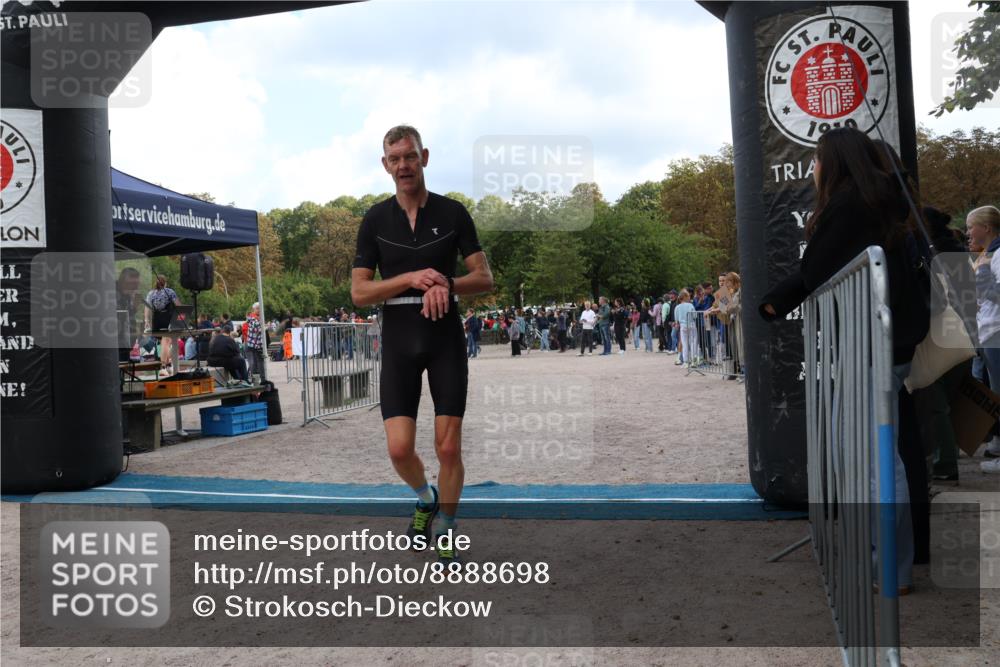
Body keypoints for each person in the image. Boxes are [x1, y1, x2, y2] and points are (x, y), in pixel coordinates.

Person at [759, 127, 931, 593]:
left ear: (833, 162)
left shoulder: (852, 206)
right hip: (880, 343)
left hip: (872, 344)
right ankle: (884, 559)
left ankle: (889, 567)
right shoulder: (877, 202)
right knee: (872, 456)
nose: (813, 169)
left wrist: (779, 298)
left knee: (874, 461)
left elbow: (815, 269)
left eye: (817, 160)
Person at [351, 125, 494, 568]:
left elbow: (485, 279)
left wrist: (447, 283)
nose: (403, 166)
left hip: (444, 337)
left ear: (424, 157)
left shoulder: (453, 213)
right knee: (398, 449)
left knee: (448, 448)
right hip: (398, 339)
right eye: (395, 159)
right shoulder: (375, 220)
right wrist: (412, 279)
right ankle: (424, 496)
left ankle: (447, 527)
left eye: (410, 156)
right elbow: (359, 292)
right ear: (385, 164)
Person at [967, 204, 1000, 473]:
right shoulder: (988, 254)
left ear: (986, 228)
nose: (968, 232)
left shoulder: (996, 255)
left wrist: (983, 272)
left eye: (971, 227)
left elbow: (995, 294)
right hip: (989, 330)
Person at [144, 274, 181, 366]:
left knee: (164, 343)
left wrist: (146, 320)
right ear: (165, 283)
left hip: (156, 321)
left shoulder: (151, 293)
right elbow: (178, 305)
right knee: (167, 342)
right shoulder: (169, 291)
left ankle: (167, 364)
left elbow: (147, 308)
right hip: (167, 320)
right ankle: (164, 366)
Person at [116, 267, 142, 362]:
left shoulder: (128, 294)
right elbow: (119, 315)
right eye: (134, 284)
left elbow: (129, 315)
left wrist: (135, 306)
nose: (136, 287)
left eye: (137, 284)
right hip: (117, 340)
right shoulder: (113, 291)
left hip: (127, 341)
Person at [673, 290, 695, 366]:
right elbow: (694, 316)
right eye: (688, 296)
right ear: (685, 297)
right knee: (692, 343)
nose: (689, 297)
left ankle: (685, 361)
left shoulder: (677, 307)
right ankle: (693, 361)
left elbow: (676, 319)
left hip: (683, 326)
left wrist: (677, 323)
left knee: (684, 344)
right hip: (691, 324)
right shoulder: (690, 305)